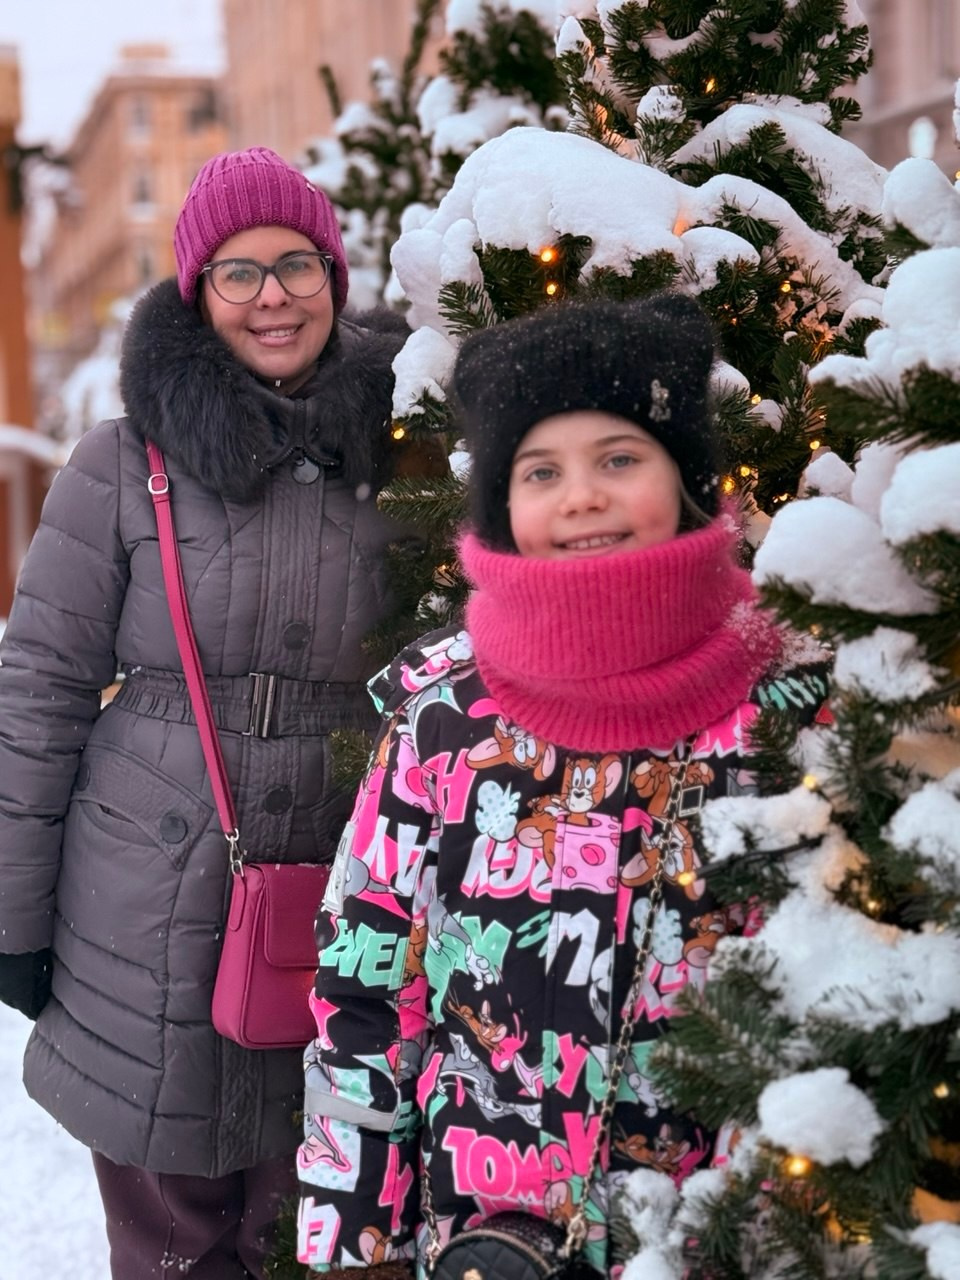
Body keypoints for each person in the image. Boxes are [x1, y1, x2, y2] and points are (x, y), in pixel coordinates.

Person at [295, 293, 830, 1278]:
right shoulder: (442, 720)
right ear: (504, 502)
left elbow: (848, 987)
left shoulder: (790, 706)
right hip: (491, 1239)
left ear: (688, 475)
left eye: (620, 458)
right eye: (542, 471)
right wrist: (352, 1234)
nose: (581, 495)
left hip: (734, 1237)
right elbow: (363, 987)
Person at [0, 147, 433, 1279]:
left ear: (336, 274)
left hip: (355, 895)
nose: (273, 294)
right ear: (197, 291)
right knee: (177, 1243)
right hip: (142, 913)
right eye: (238, 272)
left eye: (296, 263)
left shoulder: (406, 453)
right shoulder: (119, 463)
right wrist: (12, 914)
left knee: (327, 1227)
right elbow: (39, 685)